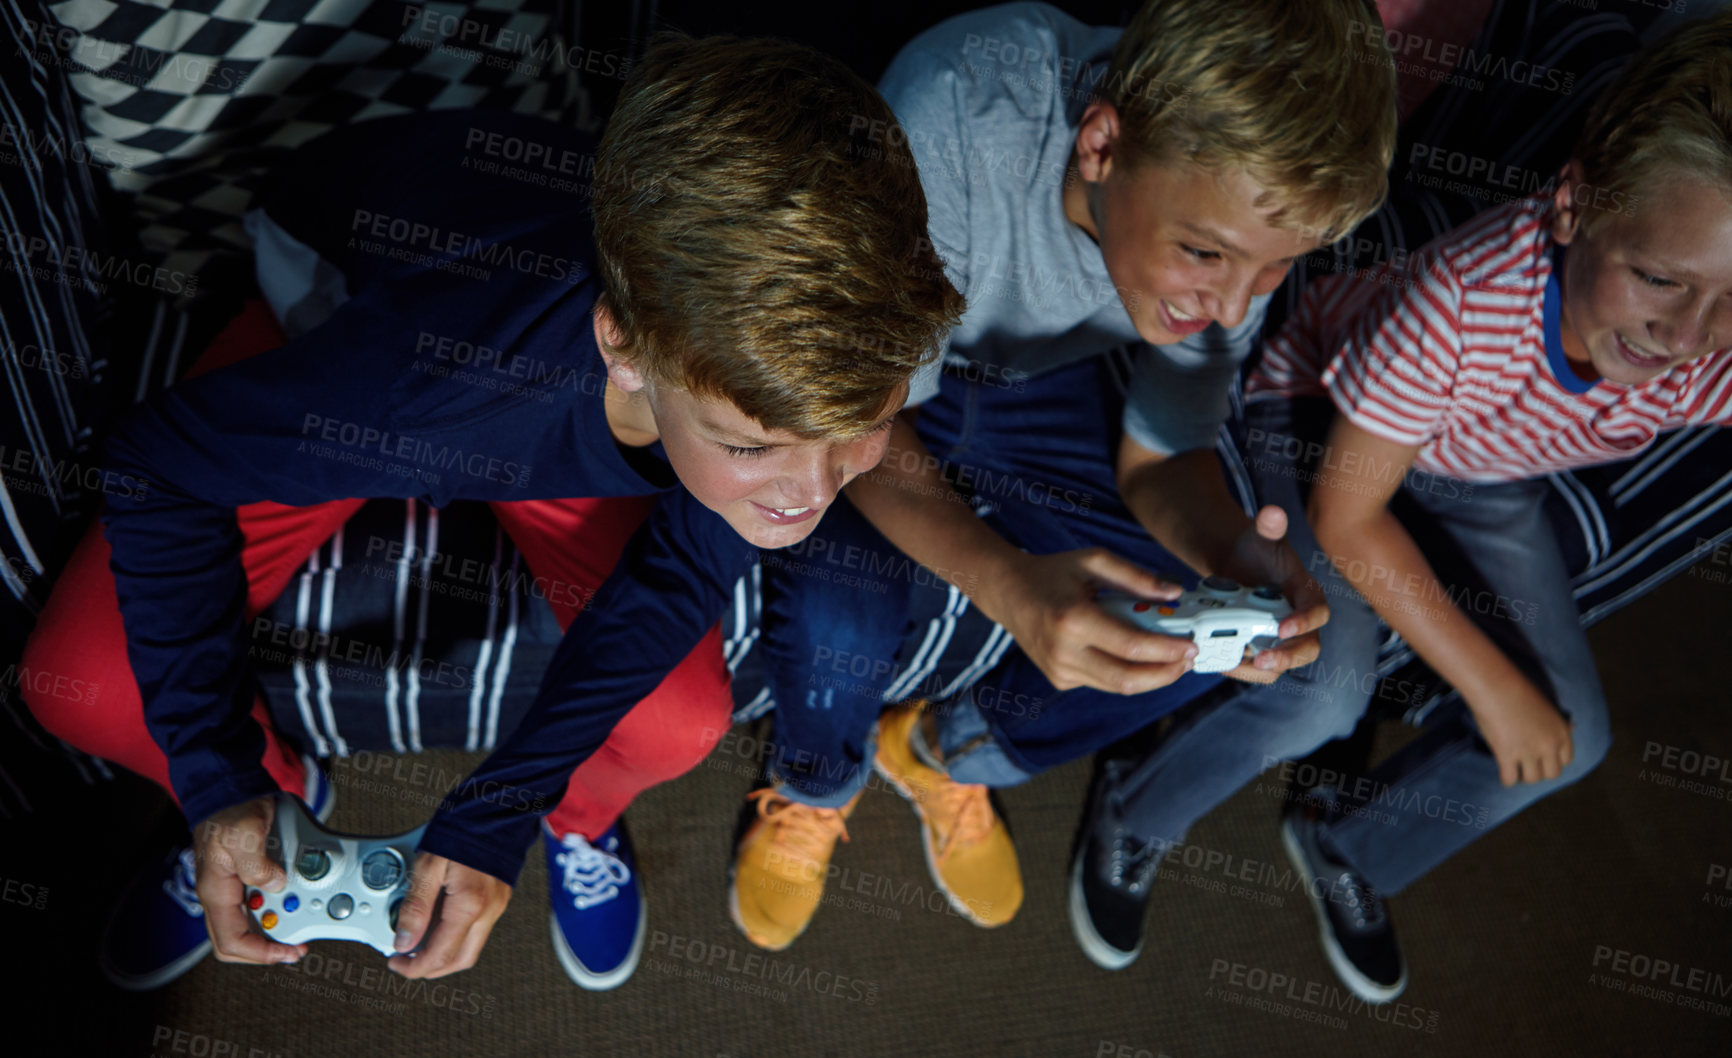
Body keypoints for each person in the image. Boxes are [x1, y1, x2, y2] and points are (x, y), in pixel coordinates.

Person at [20, 35, 962, 991]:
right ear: (625, 349)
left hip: (594, 358)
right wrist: (220, 781)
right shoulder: (422, 395)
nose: (808, 501)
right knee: (81, 682)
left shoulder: (786, 360)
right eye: (754, 448)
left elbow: (682, 569)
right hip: (360, 310)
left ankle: (574, 821)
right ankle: (274, 826)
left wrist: (501, 809)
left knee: (679, 718)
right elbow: (157, 464)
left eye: (864, 426)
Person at [726, 0, 1398, 952]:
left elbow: (1164, 455)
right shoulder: (950, 121)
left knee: (1191, 618)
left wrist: (1231, 555)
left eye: (1277, 269)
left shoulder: (1232, 217)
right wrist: (1008, 587)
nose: (1231, 303)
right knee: (843, 605)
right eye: (1204, 254)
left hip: (1027, 386)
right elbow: (847, 430)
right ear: (1100, 144)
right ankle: (813, 786)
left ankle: (935, 752)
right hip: (867, 381)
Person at [1188, 9, 1732, 1003]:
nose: (1688, 335)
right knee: (1328, 684)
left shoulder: (1708, 338)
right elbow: (1349, 516)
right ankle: (1133, 817)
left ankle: (1346, 845)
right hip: (1316, 418)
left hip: (1484, 466)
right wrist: (1491, 686)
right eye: (1657, 277)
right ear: (1568, 207)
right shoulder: (1459, 301)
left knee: (1580, 734)